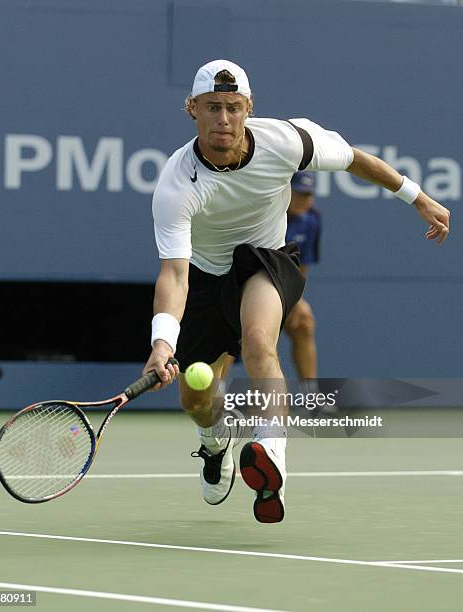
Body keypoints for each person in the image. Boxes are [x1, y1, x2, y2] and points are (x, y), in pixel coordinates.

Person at [144, 59, 450, 524]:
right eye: (211, 108)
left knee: (258, 339)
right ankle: (213, 444)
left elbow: (353, 158)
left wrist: (418, 197)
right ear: (192, 109)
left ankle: (270, 454)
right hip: (206, 275)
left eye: (232, 107)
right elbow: (175, 275)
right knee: (195, 399)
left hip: (266, 259)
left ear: (249, 108)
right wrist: (162, 343)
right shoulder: (176, 183)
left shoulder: (286, 141)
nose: (223, 120)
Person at [284, 171, 321, 383]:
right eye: (298, 194)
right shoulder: (265, 215)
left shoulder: (312, 220)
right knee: (231, 334)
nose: (303, 200)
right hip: (245, 290)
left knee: (304, 319)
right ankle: (218, 399)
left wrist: (294, 300)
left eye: (308, 195)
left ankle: (310, 399)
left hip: (283, 293)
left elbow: (301, 268)